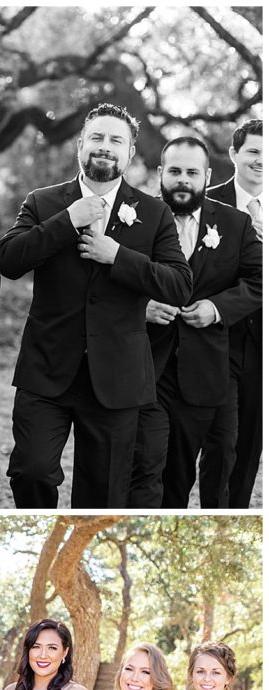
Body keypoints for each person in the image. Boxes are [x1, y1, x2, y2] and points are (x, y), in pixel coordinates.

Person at [0, 102, 192, 509]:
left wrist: (118, 255)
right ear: (81, 145)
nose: (105, 147)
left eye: (116, 140)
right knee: (30, 471)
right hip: (46, 370)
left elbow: (179, 285)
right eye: (97, 138)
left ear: (131, 153)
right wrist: (66, 221)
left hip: (117, 377)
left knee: (103, 494)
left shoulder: (155, 213)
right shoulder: (44, 202)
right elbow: (8, 260)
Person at [129, 137, 262, 508]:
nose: (182, 180)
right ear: (160, 174)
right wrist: (142, 307)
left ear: (206, 175)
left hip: (204, 371)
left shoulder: (235, 224)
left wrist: (217, 308)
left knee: (190, 474)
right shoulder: (135, 217)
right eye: (174, 171)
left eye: (191, 172)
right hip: (145, 367)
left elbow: (259, 279)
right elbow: (105, 281)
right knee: (149, 467)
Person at [200, 119, 263, 508]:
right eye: (254, 151)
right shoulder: (207, 202)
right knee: (221, 444)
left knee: (250, 447)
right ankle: (213, 514)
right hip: (216, 338)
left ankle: (234, 515)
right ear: (234, 154)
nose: (262, 160)